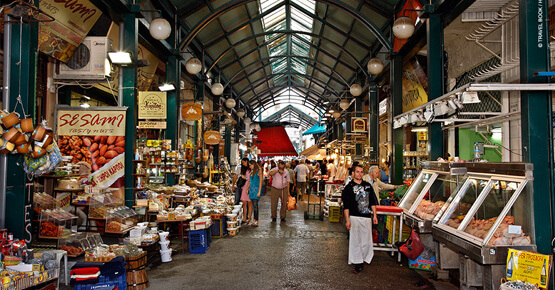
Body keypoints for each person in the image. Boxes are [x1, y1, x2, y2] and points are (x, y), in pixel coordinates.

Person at [341, 164, 378, 274]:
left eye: (361, 172)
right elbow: (346, 206)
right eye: (357, 172)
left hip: (366, 217)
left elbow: (372, 202)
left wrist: (375, 215)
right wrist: (347, 220)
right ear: (353, 173)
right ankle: (358, 263)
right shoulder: (348, 188)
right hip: (354, 217)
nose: (359, 174)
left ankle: (364, 259)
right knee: (355, 241)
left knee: (366, 241)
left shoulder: (368, 186)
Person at [248, 160, 263, 226]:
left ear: (253, 164)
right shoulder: (252, 171)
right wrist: (247, 189)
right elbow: (249, 181)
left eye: (250, 165)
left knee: (255, 205)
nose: (250, 166)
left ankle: (256, 220)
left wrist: (259, 191)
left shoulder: (259, 170)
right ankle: (254, 219)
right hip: (251, 189)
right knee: (253, 205)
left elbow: (260, 181)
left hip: (256, 189)